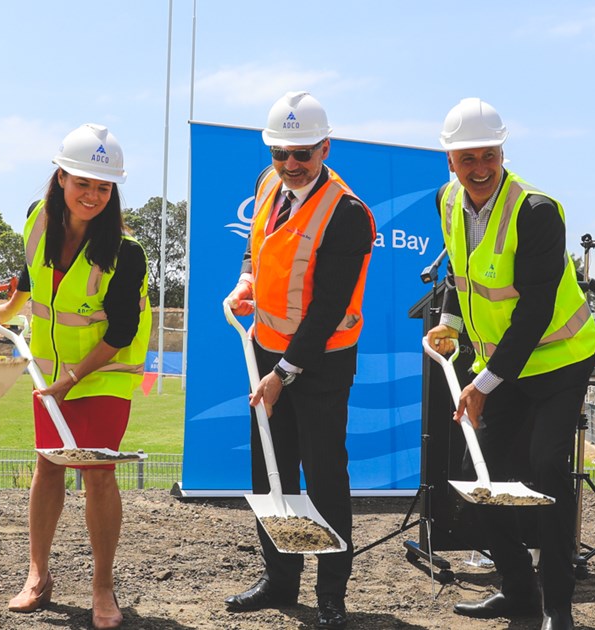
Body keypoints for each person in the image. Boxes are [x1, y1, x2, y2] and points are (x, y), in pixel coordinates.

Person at [424, 98, 595, 630]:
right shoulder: (447, 200)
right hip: (500, 364)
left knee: (546, 468)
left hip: (558, 361)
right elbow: (460, 270)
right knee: (485, 476)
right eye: (466, 159)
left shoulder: (538, 211)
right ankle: (518, 589)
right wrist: (450, 324)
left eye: (488, 156)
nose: (479, 169)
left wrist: (484, 382)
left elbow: (535, 311)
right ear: (450, 160)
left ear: (503, 152)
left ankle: (557, 606)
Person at [0, 124, 149, 630]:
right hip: (50, 371)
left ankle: (103, 587)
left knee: (97, 471)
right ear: (61, 178)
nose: (93, 195)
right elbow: (32, 276)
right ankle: (38, 576)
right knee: (48, 465)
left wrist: (72, 379)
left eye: (103, 187)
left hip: (103, 372)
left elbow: (120, 331)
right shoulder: (36, 219)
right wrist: (8, 309)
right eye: (83, 183)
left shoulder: (127, 251)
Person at [221, 91, 376, 630]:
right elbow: (257, 247)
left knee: (325, 474)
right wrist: (245, 281)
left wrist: (283, 374)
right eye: (280, 153)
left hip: (323, 360)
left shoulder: (349, 213)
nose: (290, 165)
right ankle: (279, 581)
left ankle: (331, 594)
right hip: (266, 344)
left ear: (325, 148)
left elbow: (331, 307)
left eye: (302, 154)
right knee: (270, 469)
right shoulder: (270, 185)